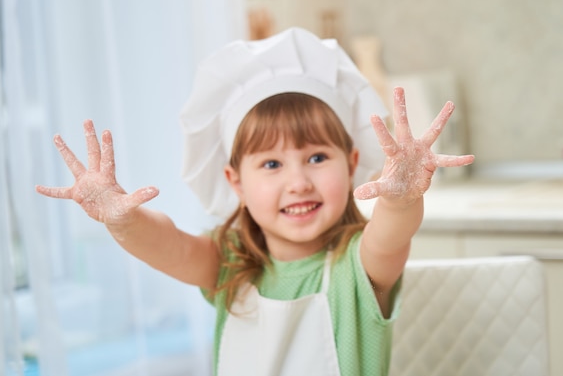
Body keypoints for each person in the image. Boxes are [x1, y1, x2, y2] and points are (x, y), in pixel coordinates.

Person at [36, 28, 474, 376]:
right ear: (235, 181)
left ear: (352, 162)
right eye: (271, 165)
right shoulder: (228, 264)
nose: (298, 181)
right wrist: (124, 221)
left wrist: (400, 200)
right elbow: (169, 244)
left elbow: (391, 237)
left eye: (317, 157)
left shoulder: (358, 266)